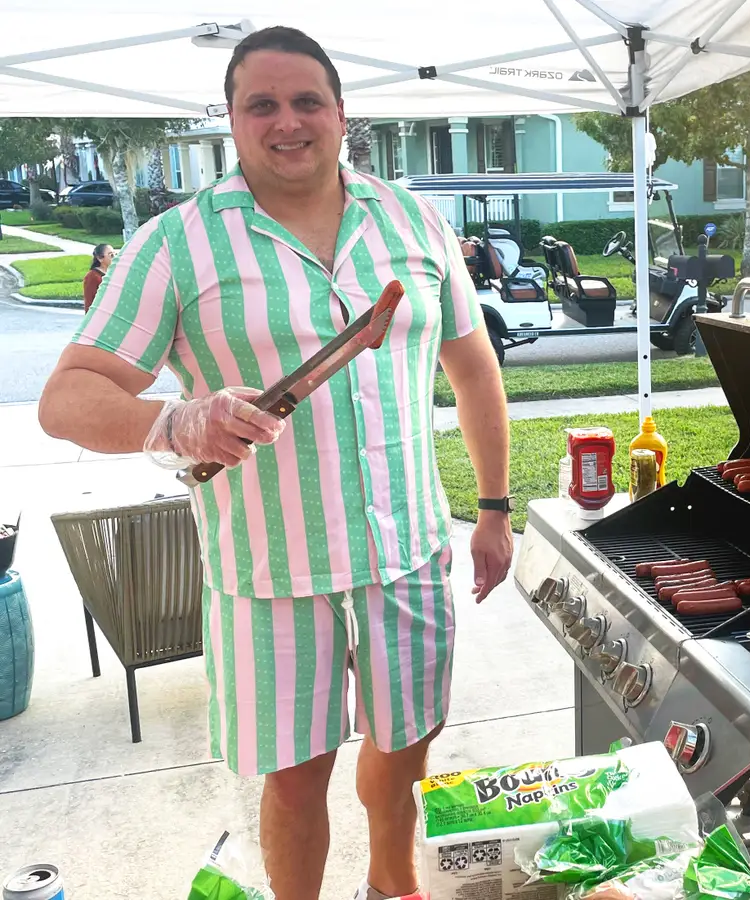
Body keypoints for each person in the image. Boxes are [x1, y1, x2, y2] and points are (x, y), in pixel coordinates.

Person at [38, 25, 512, 900]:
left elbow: (472, 363)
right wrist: (175, 420)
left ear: (341, 114)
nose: (286, 122)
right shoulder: (175, 245)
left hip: (408, 552)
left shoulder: (411, 219)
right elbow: (66, 397)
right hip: (270, 572)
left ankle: (391, 886)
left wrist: (493, 507)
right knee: (296, 775)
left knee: (407, 744)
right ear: (231, 118)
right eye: (262, 104)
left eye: (306, 102)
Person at [82, 242, 113, 313]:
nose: (115, 257)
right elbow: (89, 302)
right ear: (100, 258)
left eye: (115, 254)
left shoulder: (114, 273)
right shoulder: (92, 276)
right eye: (111, 255)